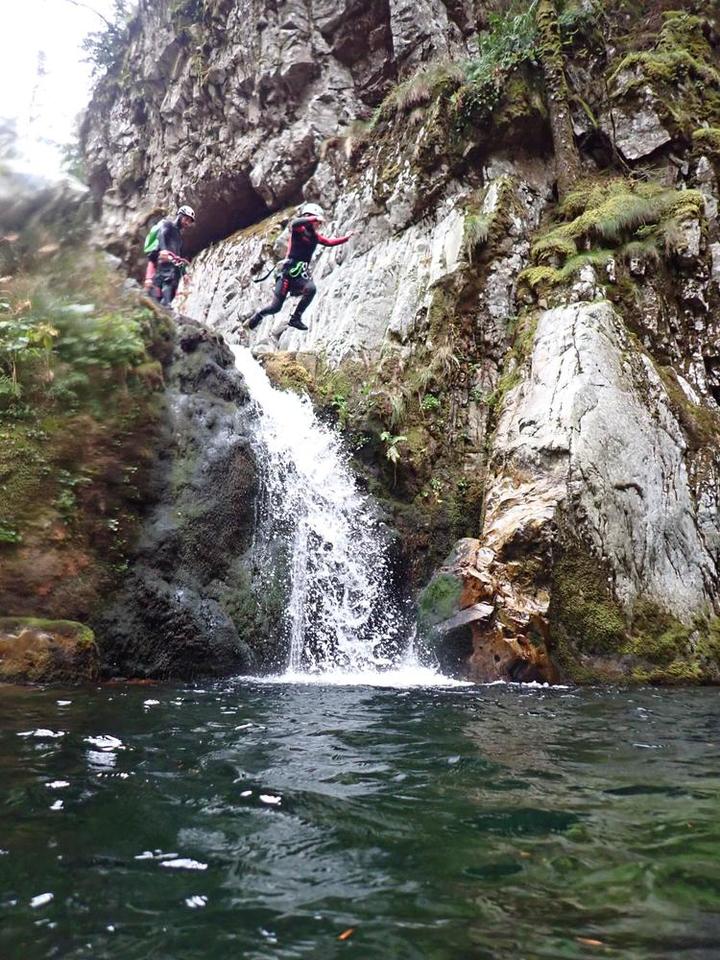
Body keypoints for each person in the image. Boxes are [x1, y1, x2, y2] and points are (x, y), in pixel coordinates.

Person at [245, 203, 351, 333]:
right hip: (286, 274)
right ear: (309, 217)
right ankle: (259, 315)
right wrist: (314, 218)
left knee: (311, 289)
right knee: (275, 307)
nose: (319, 225)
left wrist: (346, 238)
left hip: (299, 276)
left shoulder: (315, 237)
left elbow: (329, 242)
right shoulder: (298, 231)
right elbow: (295, 223)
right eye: (317, 221)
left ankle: (296, 318)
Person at [148, 205, 195, 307]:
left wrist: (184, 273)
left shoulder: (179, 238)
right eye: (186, 219)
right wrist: (164, 250)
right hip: (162, 259)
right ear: (180, 215)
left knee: (173, 282)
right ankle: (166, 304)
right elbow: (161, 235)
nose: (187, 223)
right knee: (167, 278)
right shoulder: (167, 224)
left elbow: (178, 257)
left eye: (189, 222)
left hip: (170, 262)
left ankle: (164, 304)